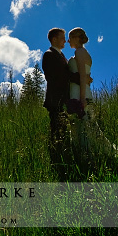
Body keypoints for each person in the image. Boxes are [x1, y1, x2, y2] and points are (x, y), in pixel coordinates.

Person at [41, 28, 79, 173]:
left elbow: (65, 74)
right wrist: (78, 78)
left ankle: (63, 158)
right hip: (55, 99)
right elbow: (58, 76)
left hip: (64, 99)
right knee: (57, 131)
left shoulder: (60, 55)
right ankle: (56, 162)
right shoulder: (49, 55)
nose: (65, 40)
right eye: (63, 37)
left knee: (63, 130)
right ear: (54, 39)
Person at [67, 27, 93, 116]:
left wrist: (82, 99)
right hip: (83, 89)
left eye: (69, 38)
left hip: (78, 92)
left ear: (76, 38)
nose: (68, 41)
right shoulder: (85, 53)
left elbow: (82, 75)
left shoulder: (79, 52)